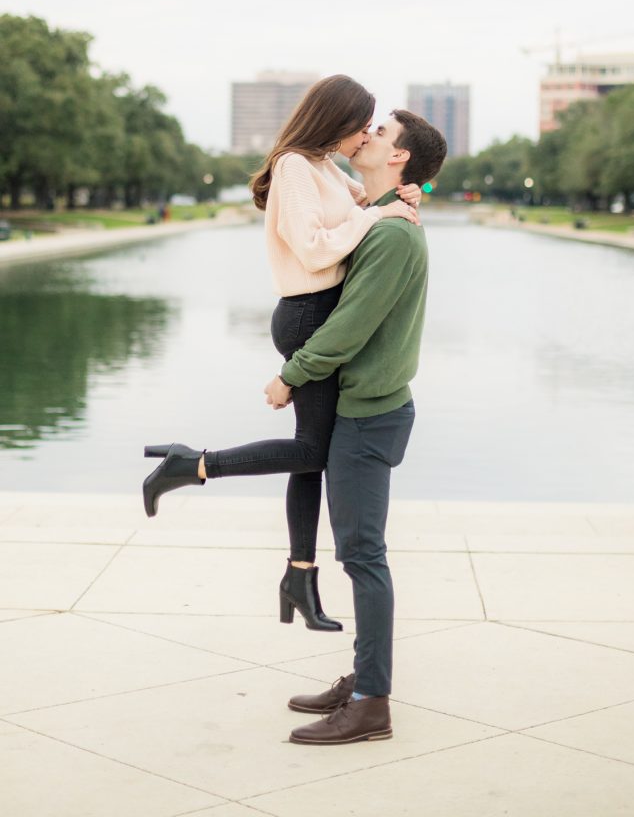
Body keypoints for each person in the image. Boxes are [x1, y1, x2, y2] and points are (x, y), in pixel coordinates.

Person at [142, 75, 422, 632]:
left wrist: (407, 196)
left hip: (321, 311)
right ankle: (192, 465)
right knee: (311, 452)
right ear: (336, 120)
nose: (365, 135)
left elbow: (363, 209)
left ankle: (299, 574)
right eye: (361, 124)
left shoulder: (323, 167)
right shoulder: (295, 165)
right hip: (306, 314)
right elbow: (315, 248)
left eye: (373, 128)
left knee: (311, 453)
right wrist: (376, 214)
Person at [262, 110, 447, 745]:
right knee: (360, 555)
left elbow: (352, 325)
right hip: (362, 409)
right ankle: (364, 677)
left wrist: (293, 372)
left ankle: (371, 703)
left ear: (399, 157)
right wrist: (400, 196)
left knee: (364, 558)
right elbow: (331, 209)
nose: (366, 135)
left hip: (369, 417)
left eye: (381, 134)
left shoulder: (394, 237)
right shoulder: (381, 209)